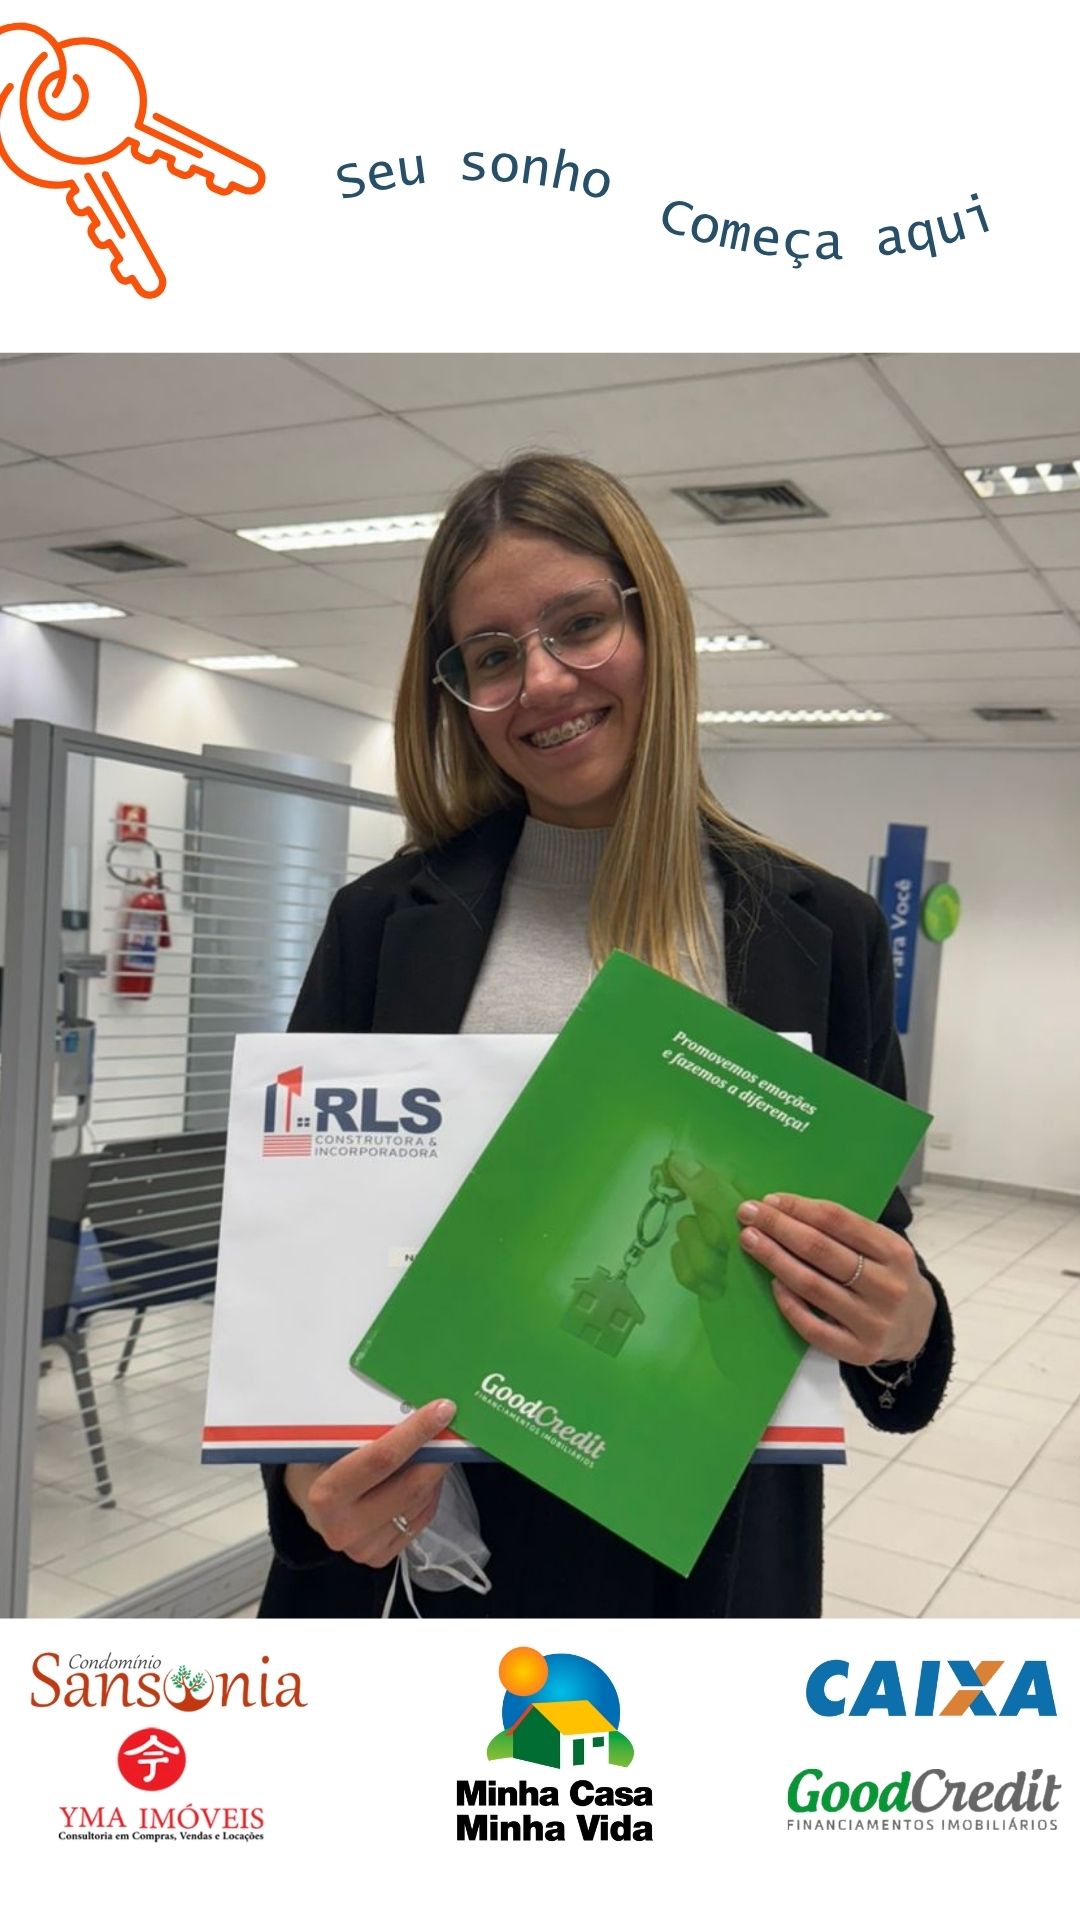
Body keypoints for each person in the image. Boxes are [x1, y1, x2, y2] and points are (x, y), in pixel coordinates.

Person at [259, 452, 953, 1620]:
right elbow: (296, 1252)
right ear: (457, 691)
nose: (542, 681)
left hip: (694, 1567)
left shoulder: (821, 933)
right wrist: (303, 1484)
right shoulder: (381, 925)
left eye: (580, 624)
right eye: (491, 655)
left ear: (654, 623)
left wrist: (905, 1324)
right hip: (416, 1563)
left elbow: (870, 1261)